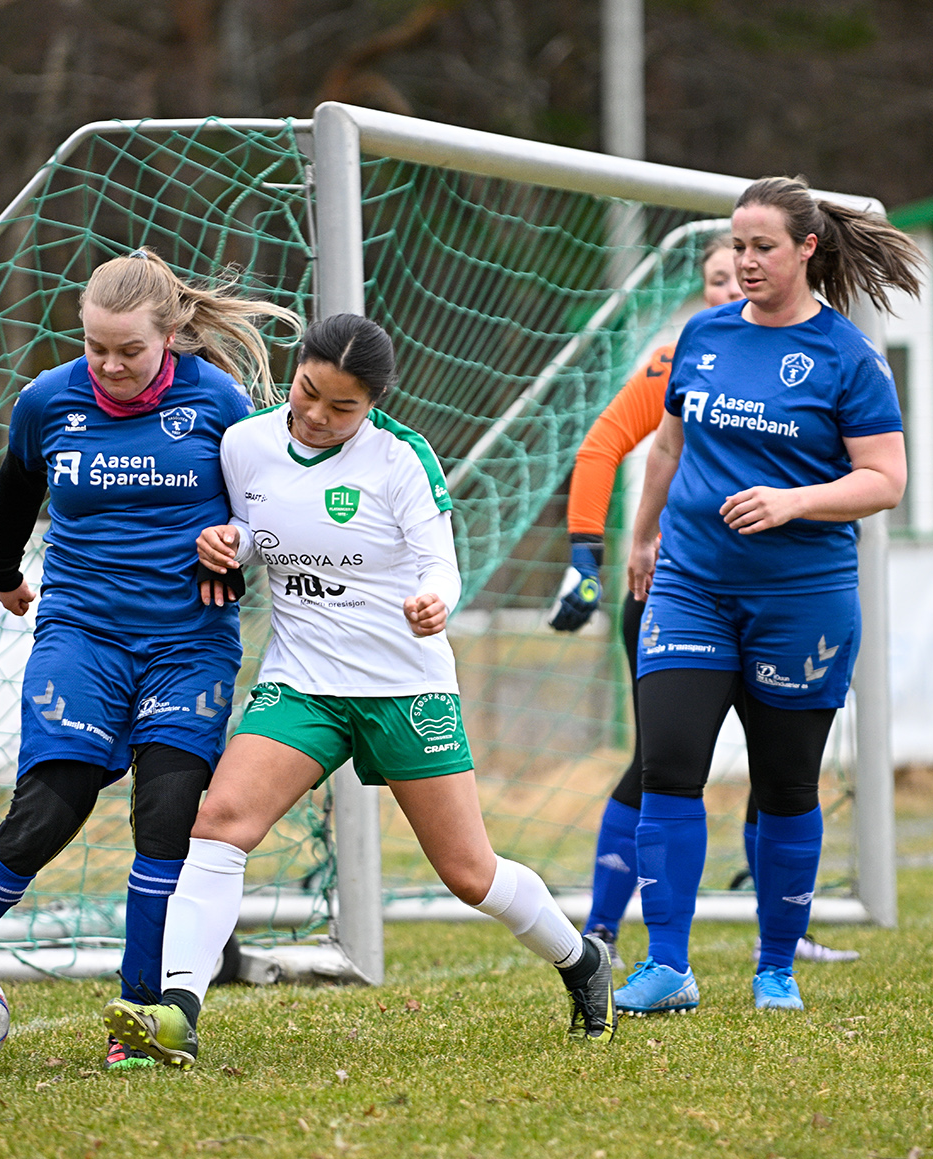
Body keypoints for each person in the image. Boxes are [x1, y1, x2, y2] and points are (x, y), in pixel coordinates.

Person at [101, 313, 617, 1066]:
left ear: (373, 405)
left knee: (469, 873)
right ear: (296, 371)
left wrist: (436, 601)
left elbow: (438, 564)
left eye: (342, 407)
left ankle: (582, 959)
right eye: (308, 392)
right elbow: (256, 530)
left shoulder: (401, 458)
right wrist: (229, 543)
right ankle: (177, 1011)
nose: (317, 415)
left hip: (404, 686)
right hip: (303, 682)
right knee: (219, 823)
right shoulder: (244, 444)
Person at [0, 247, 299, 1072]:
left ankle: (143, 1019)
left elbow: (263, 513)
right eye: (96, 347)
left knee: (167, 819)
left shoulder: (218, 401)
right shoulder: (47, 401)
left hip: (189, 643)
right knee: (47, 813)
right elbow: (16, 490)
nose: (111, 365)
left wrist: (232, 547)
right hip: (82, 633)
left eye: (130, 350)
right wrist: (4, 573)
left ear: (170, 336)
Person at [612, 177, 921, 1015]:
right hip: (692, 585)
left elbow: (885, 480)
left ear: (806, 249)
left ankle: (776, 969)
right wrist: (643, 538)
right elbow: (668, 447)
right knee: (669, 764)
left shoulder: (848, 357)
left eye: (763, 248)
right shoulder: (703, 334)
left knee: (785, 785)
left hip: (800, 600)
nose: (746, 262)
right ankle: (667, 966)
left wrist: (795, 502)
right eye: (738, 246)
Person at [550, 235, 860, 972]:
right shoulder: (682, 355)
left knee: (779, 769)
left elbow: (873, 470)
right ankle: (605, 931)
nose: (729, 289)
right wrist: (596, 551)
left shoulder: (825, 358)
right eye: (716, 279)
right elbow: (603, 448)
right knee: (660, 762)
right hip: (676, 589)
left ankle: (779, 937)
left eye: (740, 273)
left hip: (782, 598)